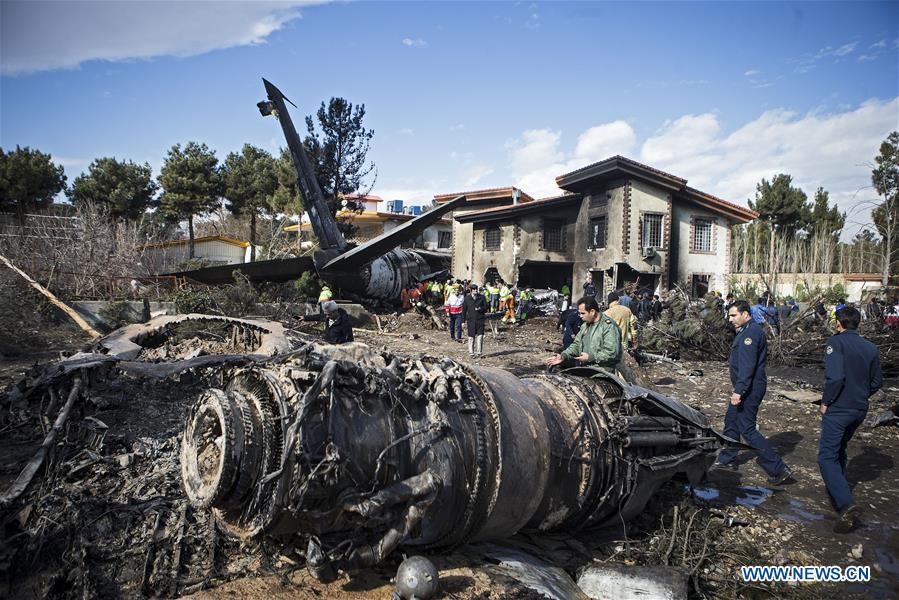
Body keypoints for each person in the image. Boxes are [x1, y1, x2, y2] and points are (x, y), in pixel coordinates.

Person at [817, 306, 882, 533]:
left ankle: (846, 504)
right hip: (859, 408)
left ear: (838, 323)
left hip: (839, 408)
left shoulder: (836, 343)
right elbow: (876, 383)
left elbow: (835, 377)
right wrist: (860, 395)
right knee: (840, 449)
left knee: (826, 456)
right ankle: (838, 489)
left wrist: (826, 401)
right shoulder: (871, 347)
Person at [714, 301, 792, 484]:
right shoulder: (746, 331)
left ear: (746, 314)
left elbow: (748, 367)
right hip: (746, 386)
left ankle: (778, 468)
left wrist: (739, 391)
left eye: (734, 315)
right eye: (729, 315)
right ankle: (728, 458)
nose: (730, 319)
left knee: (747, 428)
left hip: (749, 388)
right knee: (731, 422)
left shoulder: (750, 334)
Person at [547, 296, 621, 370]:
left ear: (592, 312)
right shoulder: (585, 325)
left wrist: (590, 357)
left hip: (602, 373)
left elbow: (612, 353)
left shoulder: (608, 327)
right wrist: (564, 355)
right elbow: (576, 345)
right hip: (585, 370)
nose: (580, 316)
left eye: (583, 313)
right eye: (580, 313)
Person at [463, 283, 487, 358]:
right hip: (471, 320)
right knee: (471, 337)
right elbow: (464, 310)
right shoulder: (467, 298)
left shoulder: (482, 297)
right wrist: (463, 322)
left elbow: (486, 307)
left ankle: (479, 352)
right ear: (471, 290)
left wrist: (480, 308)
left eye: (476, 289)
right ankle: (471, 353)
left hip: (480, 320)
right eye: (474, 289)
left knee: (480, 336)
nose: (476, 290)